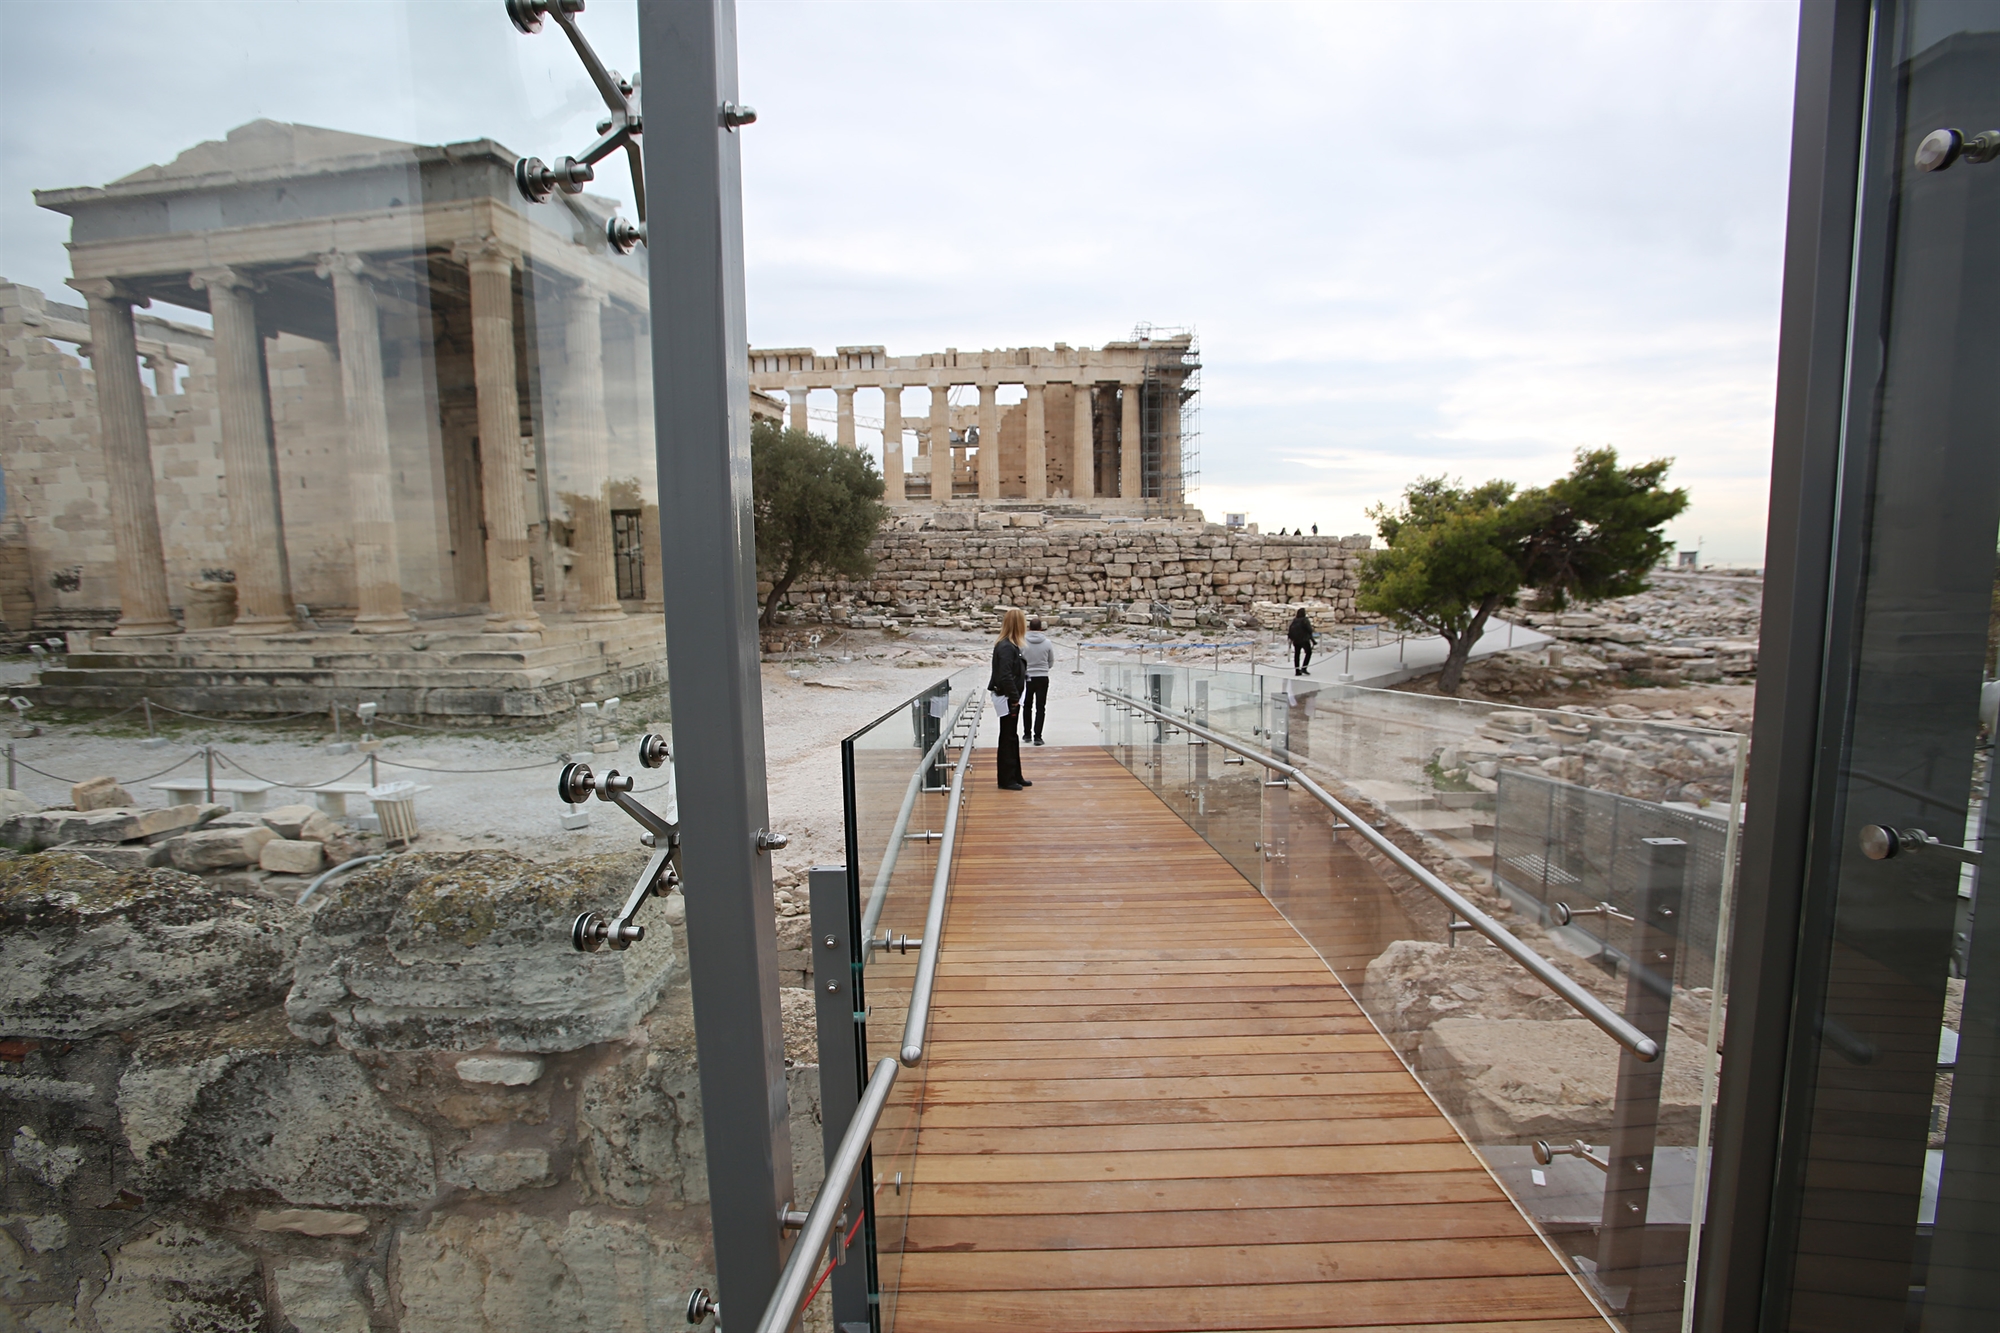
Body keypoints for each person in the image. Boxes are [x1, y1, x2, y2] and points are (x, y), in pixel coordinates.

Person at [989, 608, 1032, 789]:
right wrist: (1014, 697)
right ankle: (1007, 779)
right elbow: (1005, 675)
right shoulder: (1006, 647)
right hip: (1007, 698)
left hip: (1012, 696)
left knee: (1012, 736)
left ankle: (1015, 774)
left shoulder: (1010, 645)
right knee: (1007, 736)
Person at [1021, 618, 1055, 745]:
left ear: (1029, 628)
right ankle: (1038, 736)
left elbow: (1020, 660)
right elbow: (1051, 661)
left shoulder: (1022, 642)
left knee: (1027, 706)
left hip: (1028, 676)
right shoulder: (1047, 643)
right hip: (1042, 676)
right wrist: (1044, 669)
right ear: (1041, 628)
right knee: (1040, 707)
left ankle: (1027, 734)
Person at [1288, 607, 1317, 676]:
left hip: (1296, 640)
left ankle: (1297, 670)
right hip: (1304, 640)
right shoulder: (1305, 620)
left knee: (1297, 655)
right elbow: (1309, 630)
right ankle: (1304, 668)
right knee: (1308, 653)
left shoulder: (1294, 621)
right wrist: (1313, 640)